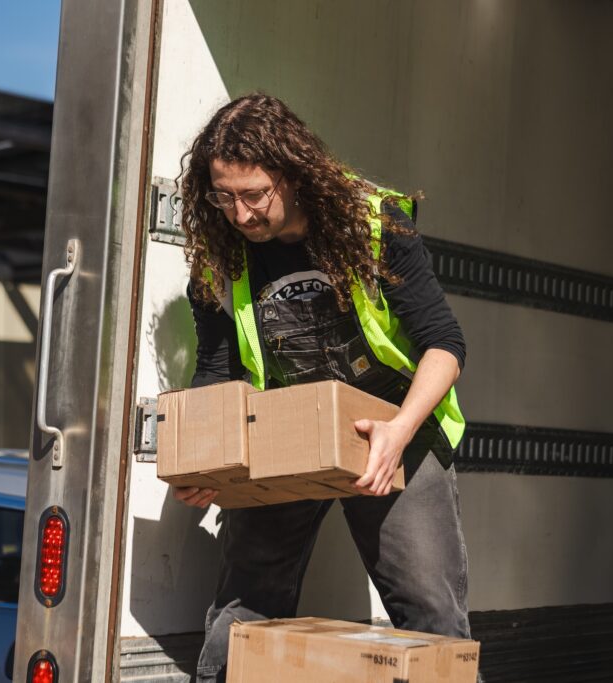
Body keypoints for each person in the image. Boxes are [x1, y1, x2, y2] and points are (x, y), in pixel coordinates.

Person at [174, 93, 477, 682]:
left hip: (393, 426)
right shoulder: (219, 255)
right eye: (224, 196)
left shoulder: (375, 223)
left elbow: (446, 345)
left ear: (293, 173)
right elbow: (217, 370)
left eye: (253, 194)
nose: (239, 214)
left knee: (431, 615)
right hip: (285, 433)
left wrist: (398, 432)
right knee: (243, 614)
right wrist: (206, 461)